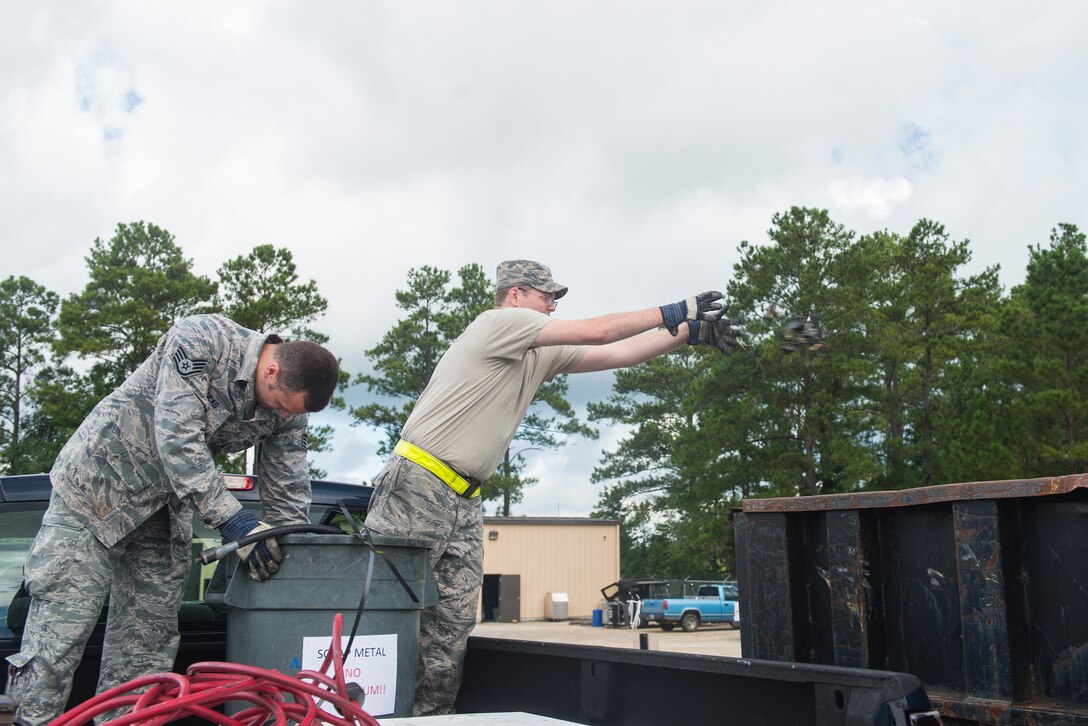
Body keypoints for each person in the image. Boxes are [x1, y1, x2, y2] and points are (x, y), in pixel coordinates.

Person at [364, 259, 741, 716]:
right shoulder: (496, 324)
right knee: (387, 611)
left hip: (464, 498)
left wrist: (690, 334)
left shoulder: (538, 351)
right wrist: (677, 309)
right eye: (547, 298)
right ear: (516, 295)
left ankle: (429, 719)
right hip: (418, 485)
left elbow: (617, 353)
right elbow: (599, 331)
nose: (553, 308)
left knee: (451, 625)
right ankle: (364, 712)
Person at [4, 314, 339, 725]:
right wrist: (235, 524)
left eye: (292, 414)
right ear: (271, 370)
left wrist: (286, 540)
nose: (283, 418)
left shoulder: (291, 407)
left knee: (146, 641)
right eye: (280, 406)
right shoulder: (202, 340)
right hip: (94, 492)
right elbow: (178, 440)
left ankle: (127, 720)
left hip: (164, 508)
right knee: (59, 636)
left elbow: (288, 484)